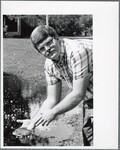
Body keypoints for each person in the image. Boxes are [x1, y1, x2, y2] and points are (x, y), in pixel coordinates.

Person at [17, 25, 93, 146]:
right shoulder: (49, 65)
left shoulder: (76, 52)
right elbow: (51, 99)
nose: (47, 49)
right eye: (42, 48)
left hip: (111, 91)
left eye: (49, 42)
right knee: (89, 138)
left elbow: (78, 94)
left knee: (102, 139)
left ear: (56, 38)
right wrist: (33, 122)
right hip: (91, 97)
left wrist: (54, 112)